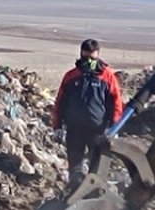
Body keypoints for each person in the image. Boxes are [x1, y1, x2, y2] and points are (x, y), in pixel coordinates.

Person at [51, 39, 124, 182]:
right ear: (81, 54)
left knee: (96, 168)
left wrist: (114, 128)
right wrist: (57, 126)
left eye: (93, 56)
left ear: (98, 55)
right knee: (75, 168)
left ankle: (94, 195)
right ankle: (74, 192)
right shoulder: (71, 76)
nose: (89, 60)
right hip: (74, 130)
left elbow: (116, 103)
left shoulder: (108, 76)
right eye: (86, 56)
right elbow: (60, 102)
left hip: (97, 130)